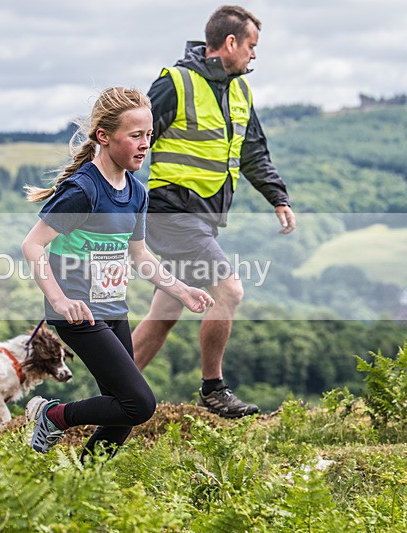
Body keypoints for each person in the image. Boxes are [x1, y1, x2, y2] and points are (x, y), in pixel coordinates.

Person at [21, 87, 214, 456]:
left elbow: (140, 254)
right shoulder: (83, 190)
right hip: (79, 313)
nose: (145, 145)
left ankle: (83, 483)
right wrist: (59, 300)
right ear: (104, 137)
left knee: (123, 413)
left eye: (149, 136)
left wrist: (181, 290)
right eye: (136, 135)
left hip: (113, 310)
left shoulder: (137, 192)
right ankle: (53, 415)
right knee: (140, 403)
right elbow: (32, 244)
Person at [131, 5, 296, 418]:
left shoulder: (240, 90)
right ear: (230, 43)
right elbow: (131, 134)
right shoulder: (176, 83)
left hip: (202, 218)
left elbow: (252, 150)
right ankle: (213, 389)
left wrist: (278, 196)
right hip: (172, 213)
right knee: (228, 290)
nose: (254, 55)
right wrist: (104, 194)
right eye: (252, 46)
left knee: (165, 311)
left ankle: (114, 390)